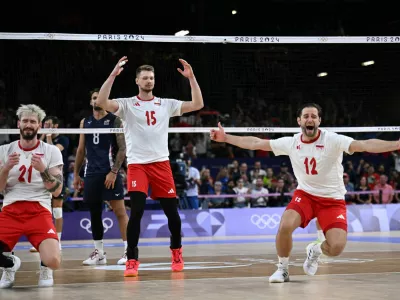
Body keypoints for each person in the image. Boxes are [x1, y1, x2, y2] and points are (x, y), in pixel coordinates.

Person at [210, 103, 400, 283]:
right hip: (306, 195)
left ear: (319, 121)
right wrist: (226, 138)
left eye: (314, 116)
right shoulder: (291, 142)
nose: (310, 119)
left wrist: (396, 144)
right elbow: (257, 143)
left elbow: (364, 145)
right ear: (299, 121)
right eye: (306, 116)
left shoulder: (332, 139)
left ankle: (315, 249)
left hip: (332, 200)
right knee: (285, 225)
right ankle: (282, 269)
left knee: (336, 248)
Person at [95, 56, 204, 277]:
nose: (148, 81)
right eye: (144, 78)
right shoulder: (126, 105)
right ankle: (132, 259)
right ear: (137, 81)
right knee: (136, 213)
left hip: (161, 164)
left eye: (151, 78)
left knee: (173, 215)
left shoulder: (166, 103)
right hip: (138, 166)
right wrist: (112, 75)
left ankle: (176, 252)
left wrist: (191, 78)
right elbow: (102, 102)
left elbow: (198, 104)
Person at [0, 104, 63, 288]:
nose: (28, 124)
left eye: (32, 121)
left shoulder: (51, 151)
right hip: (11, 209)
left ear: (39, 126)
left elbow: (57, 191)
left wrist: (43, 169)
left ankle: (45, 267)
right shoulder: (4, 150)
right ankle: (10, 264)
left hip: (39, 209)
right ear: (19, 123)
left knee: (54, 261)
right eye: (25, 121)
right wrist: (5, 169)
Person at [73, 88, 129, 265]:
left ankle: (130, 251)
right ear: (91, 102)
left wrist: (114, 172)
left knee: (120, 211)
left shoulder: (115, 120)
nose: (97, 101)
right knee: (94, 213)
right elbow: (81, 150)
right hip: (91, 173)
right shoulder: (85, 122)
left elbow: (122, 149)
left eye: (100, 98)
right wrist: (76, 174)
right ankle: (100, 253)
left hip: (109, 172)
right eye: (94, 98)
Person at [30, 115, 69, 252]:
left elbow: (53, 152)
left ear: (56, 126)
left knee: (57, 211)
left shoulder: (63, 139)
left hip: (57, 178)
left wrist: (47, 137)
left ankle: (57, 242)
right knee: (42, 210)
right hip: (40, 177)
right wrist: (41, 137)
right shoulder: (40, 139)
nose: (45, 126)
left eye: (48, 124)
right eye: (44, 124)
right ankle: (41, 241)